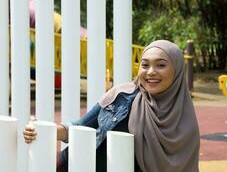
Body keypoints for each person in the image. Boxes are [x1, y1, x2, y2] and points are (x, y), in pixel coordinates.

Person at [24, 39, 200, 172]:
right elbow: (80, 127)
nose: (151, 72)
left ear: (176, 71)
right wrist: (42, 129)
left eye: (161, 65)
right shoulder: (123, 96)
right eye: (145, 65)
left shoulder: (185, 119)